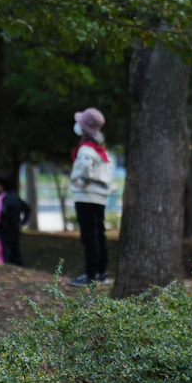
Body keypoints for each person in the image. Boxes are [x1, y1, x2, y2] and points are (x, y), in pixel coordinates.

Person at [68, 107, 113, 286]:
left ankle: (91, 273)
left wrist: (82, 181)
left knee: (89, 236)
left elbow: (86, 167)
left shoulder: (86, 148)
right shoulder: (100, 147)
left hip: (86, 196)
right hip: (100, 196)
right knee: (99, 234)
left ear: (84, 128)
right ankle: (101, 272)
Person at [0, 170, 30, 266]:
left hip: (4, 228)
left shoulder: (2, 198)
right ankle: (18, 267)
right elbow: (27, 209)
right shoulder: (15, 196)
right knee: (15, 249)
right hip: (15, 228)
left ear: (2, 185)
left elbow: (1, 213)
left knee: (4, 250)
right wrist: (22, 222)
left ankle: (4, 267)